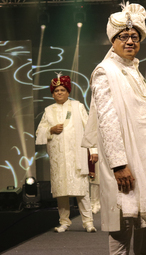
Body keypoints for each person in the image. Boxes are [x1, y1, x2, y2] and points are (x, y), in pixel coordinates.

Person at [88, 2, 146, 254]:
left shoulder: (134, 70)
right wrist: (119, 165)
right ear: (113, 40)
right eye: (124, 36)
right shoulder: (105, 71)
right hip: (126, 160)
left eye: (134, 36)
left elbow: (140, 112)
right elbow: (107, 121)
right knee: (122, 222)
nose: (130, 41)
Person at [36, 74, 97, 233]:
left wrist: (94, 150)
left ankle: (88, 222)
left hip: (77, 156)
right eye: (56, 91)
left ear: (68, 91)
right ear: (52, 93)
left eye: (62, 90)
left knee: (81, 190)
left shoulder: (78, 107)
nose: (59, 93)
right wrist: (51, 129)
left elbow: (90, 130)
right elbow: (39, 132)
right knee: (61, 191)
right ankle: (64, 222)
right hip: (58, 158)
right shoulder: (48, 111)